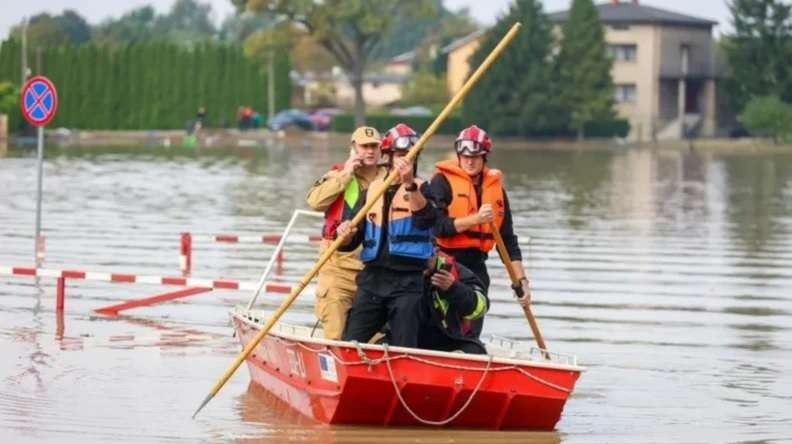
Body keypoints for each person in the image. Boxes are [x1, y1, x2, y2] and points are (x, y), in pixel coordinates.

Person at [336, 123, 437, 348]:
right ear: (389, 156)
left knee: (404, 345)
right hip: (373, 279)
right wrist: (345, 235)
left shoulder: (424, 188)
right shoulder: (371, 190)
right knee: (350, 343)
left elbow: (427, 220)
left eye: (410, 156)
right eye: (401, 155)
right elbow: (353, 237)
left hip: (407, 282)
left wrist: (409, 184)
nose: (405, 161)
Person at [430, 125, 531, 335]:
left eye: (475, 156)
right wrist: (475, 219)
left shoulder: (497, 191)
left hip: (476, 267)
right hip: (445, 263)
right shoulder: (441, 183)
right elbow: (438, 227)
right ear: (458, 155)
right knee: (442, 326)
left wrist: (521, 281)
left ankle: (470, 351)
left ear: (484, 157)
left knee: (471, 325)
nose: (469, 161)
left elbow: (508, 242)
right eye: (464, 155)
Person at [305, 126, 387, 340]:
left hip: (375, 270)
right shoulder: (338, 175)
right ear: (353, 148)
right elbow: (315, 202)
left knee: (377, 338)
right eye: (364, 146)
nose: (369, 151)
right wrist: (346, 175)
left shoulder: (390, 178)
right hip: (338, 268)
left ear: (381, 149)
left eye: (374, 146)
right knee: (335, 333)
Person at [418, 251, 489, 354]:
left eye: (426, 255)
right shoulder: (396, 270)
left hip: (448, 338)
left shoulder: (455, 270)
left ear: (436, 251)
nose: (422, 261)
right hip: (406, 337)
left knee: (475, 350)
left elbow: (481, 306)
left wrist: (453, 288)